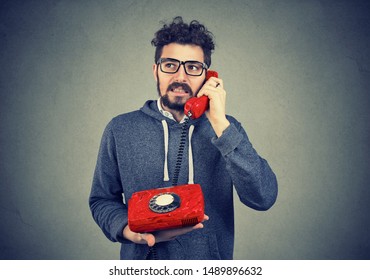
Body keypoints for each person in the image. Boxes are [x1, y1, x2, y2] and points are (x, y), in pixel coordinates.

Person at [89, 16, 278, 260]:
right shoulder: (120, 128)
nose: (181, 77)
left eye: (193, 67)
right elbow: (101, 200)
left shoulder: (227, 130)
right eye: (170, 65)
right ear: (155, 70)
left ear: (208, 76)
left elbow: (263, 197)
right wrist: (128, 230)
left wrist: (220, 124)